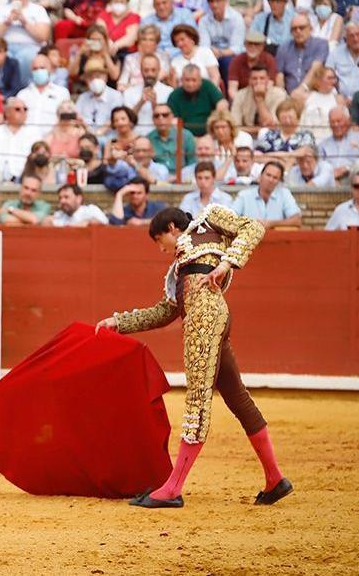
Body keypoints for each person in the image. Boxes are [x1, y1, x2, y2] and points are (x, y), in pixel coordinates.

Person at [96, 205, 290, 508]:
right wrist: (118, 323)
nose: (162, 250)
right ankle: (275, 478)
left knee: (197, 403)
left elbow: (254, 227)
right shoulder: (179, 269)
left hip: (205, 319)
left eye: (160, 241)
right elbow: (165, 312)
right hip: (210, 318)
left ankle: (172, 488)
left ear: (173, 227)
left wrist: (227, 264)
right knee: (238, 398)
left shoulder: (209, 218)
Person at [232, 161, 302, 227]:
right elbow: (231, 218)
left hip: (276, 238)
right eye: (268, 175)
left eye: (275, 177)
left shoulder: (284, 194)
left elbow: (296, 220)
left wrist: (271, 224)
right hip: (249, 238)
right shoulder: (244, 195)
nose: (270, 180)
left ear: (279, 181)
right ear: (260, 176)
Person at [275, 14, 329, 96]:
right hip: (288, 95)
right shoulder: (284, 47)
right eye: (294, 29)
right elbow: (279, 75)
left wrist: (301, 89)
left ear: (311, 29)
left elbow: (315, 69)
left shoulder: (321, 44)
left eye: (302, 28)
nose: (298, 31)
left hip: (312, 93)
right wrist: (282, 94)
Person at [166, 65, 223, 136]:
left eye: (194, 80)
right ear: (181, 80)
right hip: (185, 137)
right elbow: (172, 119)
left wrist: (214, 122)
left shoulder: (208, 86)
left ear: (200, 80)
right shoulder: (174, 96)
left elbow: (222, 103)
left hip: (210, 133)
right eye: (187, 80)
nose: (190, 84)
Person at [230, 64, 286, 134]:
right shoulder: (240, 95)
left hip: (271, 136)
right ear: (249, 80)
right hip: (246, 136)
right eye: (254, 78)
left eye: (262, 78)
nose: (258, 82)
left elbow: (272, 126)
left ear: (268, 79)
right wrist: (258, 130)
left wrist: (259, 99)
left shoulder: (278, 94)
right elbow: (234, 126)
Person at [147, 102, 196, 174]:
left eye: (165, 115)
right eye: (156, 116)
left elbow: (192, 163)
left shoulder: (186, 136)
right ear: (153, 119)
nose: (161, 118)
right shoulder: (148, 139)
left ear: (172, 117)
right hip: (158, 179)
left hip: (184, 178)